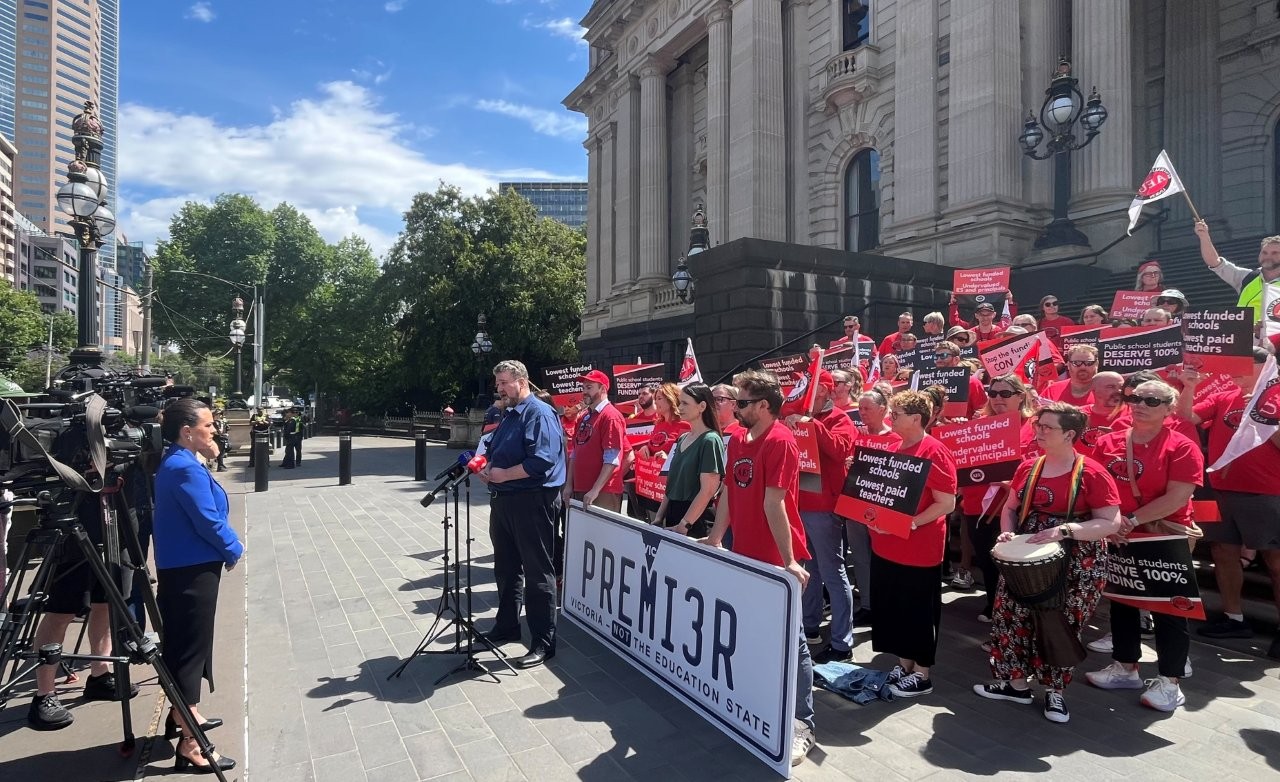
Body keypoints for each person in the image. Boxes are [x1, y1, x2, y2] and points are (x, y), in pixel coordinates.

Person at [973, 402, 1122, 724]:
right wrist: (1008, 534)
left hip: (1076, 559)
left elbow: (1110, 522)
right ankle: (1015, 684)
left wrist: (1065, 530)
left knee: (1062, 625)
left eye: (1047, 427)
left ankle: (1055, 692)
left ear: (1069, 434)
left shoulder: (1092, 472)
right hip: (1028, 553)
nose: (1039, 431)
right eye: (1038, 425)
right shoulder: (1028, 467)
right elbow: (1010, 508)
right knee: (1011, 618)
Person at [703, 370, 816, 766]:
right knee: (752, 630)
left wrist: (789, 561)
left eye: (743, 402)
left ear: (764, 406)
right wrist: (716, 537)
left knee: (793, 640)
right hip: (745, 551)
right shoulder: (737, 438)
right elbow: (729, 492)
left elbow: (775, 502)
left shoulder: (781, 441)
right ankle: (761, 703)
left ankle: (802, 723)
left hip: (776, 556)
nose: (735, 408)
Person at [1085, 379, 1202, 712]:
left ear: (1169, 409)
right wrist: (1110, 523)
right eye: (1136, 398)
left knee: (1169, 608)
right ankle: (1125, 666)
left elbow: (1179, 496)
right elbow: (1094, 485)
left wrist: (1130, 520)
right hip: (1119, 532)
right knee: (1123, 600)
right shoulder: (1108, 441)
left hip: (1162, 533)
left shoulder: (1181, 446)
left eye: (1152, 401)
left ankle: (1170, 681)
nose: (1140, 405)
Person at [153, 398, 241, 772]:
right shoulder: (183, 468)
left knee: (186, 646)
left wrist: (208, 456)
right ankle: (191, 743)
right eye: (208, 425)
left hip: (185, 566)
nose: (214, 430)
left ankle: (182, 713)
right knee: (190, 650)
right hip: (191, 570)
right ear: (187, 431)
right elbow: (208, 519)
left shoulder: (182, 461)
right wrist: (234, 548)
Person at [1176, 351, 1280, 659]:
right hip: (1220, 489)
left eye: (1242, 366)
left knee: (1276, 563)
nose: (1233, 372)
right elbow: (1187, 417)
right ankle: (1234, 617)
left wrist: (1263, 416)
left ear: (1265, 367)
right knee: (1223, 553)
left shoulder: (1276, 397)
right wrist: (1189, 387)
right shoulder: (1225, 395)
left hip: (1267, 492)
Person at [866, 391, 957, 698]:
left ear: (916, 419)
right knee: (895, 608)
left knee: (918, 611)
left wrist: (912, 523)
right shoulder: (894, 447)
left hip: (918, 550)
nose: (890, 418)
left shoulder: (935, 451)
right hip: (886, 546)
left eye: (896, 414)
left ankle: (922, 673)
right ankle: (904, 664)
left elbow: (946, 503)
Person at [480, 360, 566, 669]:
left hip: (532, 501)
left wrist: (504, 475)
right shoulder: (510, 413)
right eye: (498, 384)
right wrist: (488, 469)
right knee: (506, 567)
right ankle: (507, 625)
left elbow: (541, 461)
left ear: (523, 382)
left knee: (537, 571)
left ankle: (543, 641)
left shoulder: (539, 413)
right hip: (505, 500)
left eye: (505, 382)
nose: (500, 389)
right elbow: (496, 450)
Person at [786, 371, 858, 663]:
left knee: (833, 572)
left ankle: (842, 642)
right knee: (810, 570)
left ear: (825, 391)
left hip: (824, 507)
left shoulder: (840, 419)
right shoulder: (795, 415)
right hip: (800, 503)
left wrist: (811, 425)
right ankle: (810, 625)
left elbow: (840, 451)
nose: (803, 394)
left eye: (810, 389)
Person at [959, 374, 1038, 622]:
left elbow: (1038, 463)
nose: (998, 399)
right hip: (978, 503)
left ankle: (1012, 611)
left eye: (1005, 394)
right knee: (986, 557)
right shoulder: (980, 424)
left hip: (1013, 506)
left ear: (1020, 396)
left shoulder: (1033, 425)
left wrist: (1011, 482)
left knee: (1010, 560)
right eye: (993, 394)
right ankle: (993, 603)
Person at [845, 388, 901, 626]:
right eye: (860, 408)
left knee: (885, 557)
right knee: (860, 557)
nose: (862, 412)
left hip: (883, 507)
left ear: (883, 409)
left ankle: (886, 603)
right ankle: (868, 605)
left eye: (867, 408)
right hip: (856, 504)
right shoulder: (858, 437)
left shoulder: (896, 439)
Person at [654, 383, 725, 538]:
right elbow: (672, 484)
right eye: (680, 403)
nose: (680, 407)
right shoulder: (683, 438)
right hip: (674, 515)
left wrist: (685, 524)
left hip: (696, 522)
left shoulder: (710, 440)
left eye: (685, 403)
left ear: (702, 406)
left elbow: (708, 490)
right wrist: (659, 517)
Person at [564, 369, 626, 512]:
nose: (584, 392)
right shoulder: (583, 417)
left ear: (603, 389)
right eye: (583, 388)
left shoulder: (611, 416)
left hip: (602, 492)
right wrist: (569, 485)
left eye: (589, 387)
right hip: (580, 488)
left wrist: (595, 489)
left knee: (601, 527)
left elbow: (612, 458)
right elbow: (574, 453)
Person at [1195, 221, 1280, 323]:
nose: (1268, 256)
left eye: (1275, 253)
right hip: (1241, 333)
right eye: (1264, 252)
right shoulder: (1247, 278)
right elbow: (1215, 262)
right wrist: (1204, 236)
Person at [634, 382, 690, 520]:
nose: (656, 402)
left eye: (659, 398)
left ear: (671, 399)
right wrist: (645, 448)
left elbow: (687, 456)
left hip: (671, 489)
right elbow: (652, 446)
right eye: (656, 398)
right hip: (651, 487)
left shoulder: (685, 425)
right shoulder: (659, 424)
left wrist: (669, 457)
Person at [933, 340, 988, 419]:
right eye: (936, 357)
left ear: (956, 360)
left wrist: (978, 416)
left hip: (964, 426)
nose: (938, 360)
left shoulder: (972, 382)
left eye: (943, 356)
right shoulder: (930, 382)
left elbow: (983, 412)